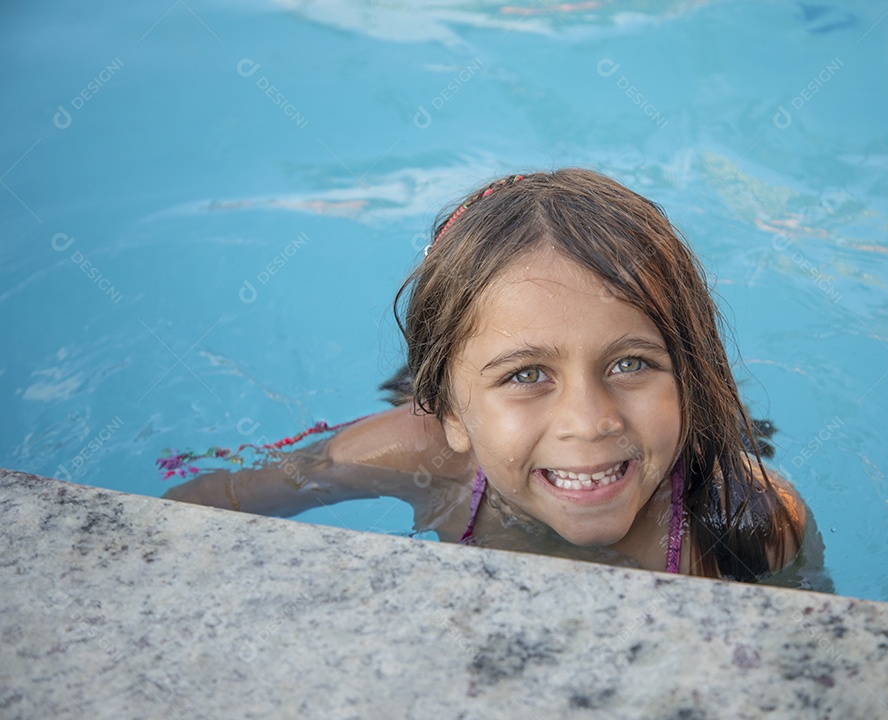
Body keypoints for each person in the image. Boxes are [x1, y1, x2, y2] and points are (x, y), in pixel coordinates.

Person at [165, 168, 812, 581]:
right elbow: (206, 509)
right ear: (447, 413)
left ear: (692, 375)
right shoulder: (412, 452)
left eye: (631, 363)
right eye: (529, 374)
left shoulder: (742, 523)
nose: (589, 422)